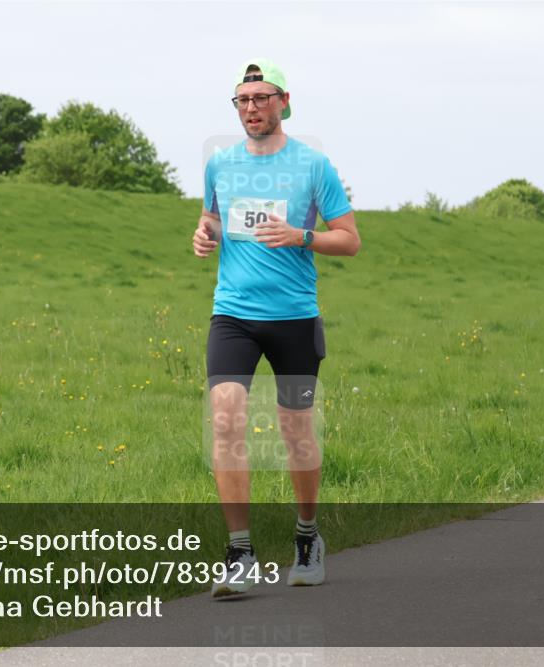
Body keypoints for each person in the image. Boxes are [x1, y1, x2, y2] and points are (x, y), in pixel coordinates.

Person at [193, 58, 360, 596]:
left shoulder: (313, 166)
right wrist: (204, 235)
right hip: (233, 314)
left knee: (295, 431)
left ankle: (308, 537)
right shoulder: (220, 164)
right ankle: (239, 553)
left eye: (262, 98)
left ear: (284, 102)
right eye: (242, 100)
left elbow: (349, 239)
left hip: (293, 317)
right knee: (224, 422)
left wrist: (301, 237)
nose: (251, 108)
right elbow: (213, 219)